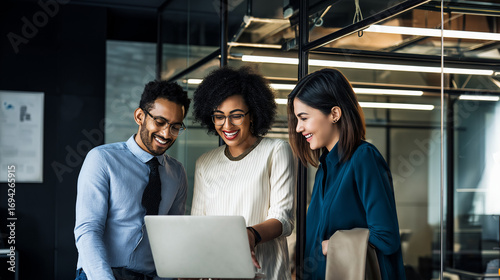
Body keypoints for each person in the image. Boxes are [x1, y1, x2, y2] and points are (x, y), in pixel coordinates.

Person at [287, 68, 406, 280]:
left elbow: (386, 238)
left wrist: (334, 245)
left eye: (304, 118)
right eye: (297, 120)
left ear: (334, 114)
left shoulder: (364, 158)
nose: (298, 128)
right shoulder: (324, 168)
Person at [74, 80, 191, 280]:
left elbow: (173, 238)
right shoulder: (102, 159)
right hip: (101, 274)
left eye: (175, 127)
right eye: (160, 122)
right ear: (139, 116)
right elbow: (88, 231)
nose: (166, 133)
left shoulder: (177, 172)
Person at [191, 66, 295, 279]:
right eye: (218, 116)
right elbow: (198, 225)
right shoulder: (204, 163)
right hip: (218, 273)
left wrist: (249, 235)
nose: (226, 124)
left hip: (265, 272)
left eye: (236, 115)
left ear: (253, 115)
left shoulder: (276, 150)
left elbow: (283, 219)